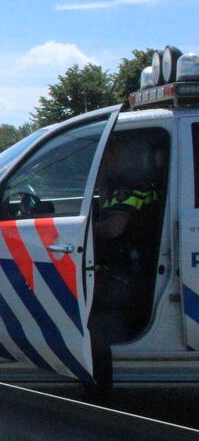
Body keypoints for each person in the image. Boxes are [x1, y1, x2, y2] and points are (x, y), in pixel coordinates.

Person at [88, 131, 165, 399]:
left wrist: (80, 233)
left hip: (130, 275)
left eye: (103, 158)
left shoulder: (130, 187)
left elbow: (113, 228)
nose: (99, 165)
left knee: (92, 321)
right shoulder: (131, 185)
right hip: (139, 269)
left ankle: (99, 397)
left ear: (114, 156)